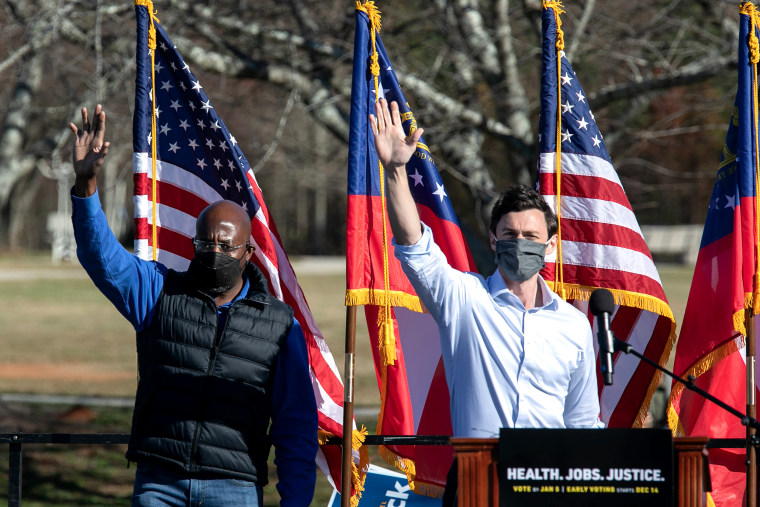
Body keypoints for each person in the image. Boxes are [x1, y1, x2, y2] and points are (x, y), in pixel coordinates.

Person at [68, 104, 318, 507]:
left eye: (225, 246)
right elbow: (102, 259)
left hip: (234, 487)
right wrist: (85, 185)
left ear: (248, 252)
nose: (214, 252)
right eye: (205, 244)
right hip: (159, 482)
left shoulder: (279, 325)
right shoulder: (159, 292)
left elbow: (295, 422)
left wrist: (296, 500)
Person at [370, 98, 603, 503]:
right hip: (477, 478)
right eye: (509, 235)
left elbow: (582, 421)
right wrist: (395, 170)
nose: (520, 244)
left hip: (549, 481)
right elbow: (413, 243)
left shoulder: (573, 324)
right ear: (494, 240)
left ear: (550, 247)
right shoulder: (463, 298)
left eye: (531, 238)